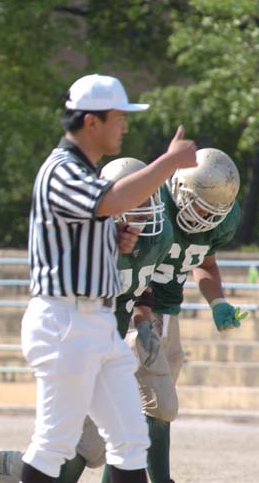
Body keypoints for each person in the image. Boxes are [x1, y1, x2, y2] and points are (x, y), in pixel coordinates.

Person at [17, 74, 197, 483]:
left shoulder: (85, 170)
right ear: (90, 122)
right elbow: (111, 200)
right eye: (118, 117)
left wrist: (110, 239)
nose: (125, 127)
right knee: (54, 444)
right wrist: (169, 162)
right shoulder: (62, 169)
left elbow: (82, 226)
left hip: (94, 322)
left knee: (130, 441)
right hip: (66, 322)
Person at [0, 157, 173, 483]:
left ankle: (19, 467)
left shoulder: (156, 236)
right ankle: (19, 468)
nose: (148, 210)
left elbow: (142, 282)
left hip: (108, 339)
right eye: (138, 201)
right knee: (73, 441)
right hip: (78, 335)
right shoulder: (90, 237)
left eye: (149, 200)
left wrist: (144, 320)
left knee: (114, 439)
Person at [122, 148, 244, 483]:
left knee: (145, 411)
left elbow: (205, 264)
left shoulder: (221, 221)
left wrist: (217, 302)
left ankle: (27, 469)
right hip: (136, 310)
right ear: (179, 188)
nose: (204, 216)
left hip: (168, 313)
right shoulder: (154, 201)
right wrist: (138, 316)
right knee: (155, 405)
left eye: (214, 210)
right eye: (200, 204)